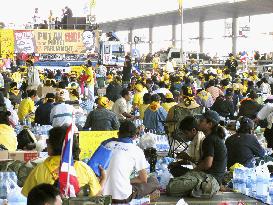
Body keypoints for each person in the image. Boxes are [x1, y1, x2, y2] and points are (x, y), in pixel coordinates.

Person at [22, 126, 105, 197]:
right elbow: (96, 197)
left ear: (52, 145)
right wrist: (103, 180)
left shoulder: (39, 170)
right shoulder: (84, 169)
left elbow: (27, 197)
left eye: (48, 141)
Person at [167, 110, 227, 198]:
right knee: (175, 178)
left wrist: (191, 173)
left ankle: (198, 189)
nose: (198, 122)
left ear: (209, 124)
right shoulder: (212, 138)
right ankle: (195, 189)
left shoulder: (210, 140)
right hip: (207, 177)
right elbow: (203, 162)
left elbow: (207, 164)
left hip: (210, 180)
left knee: (171, 187)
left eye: (202, 121)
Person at [102, 120, 160, 203]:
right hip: (122, 197)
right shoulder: (136, 150)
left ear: (118, 133)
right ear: (134, 136)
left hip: (102, 194)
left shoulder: (107, 144)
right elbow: (143, 179)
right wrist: (126, 180)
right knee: (153, 180)